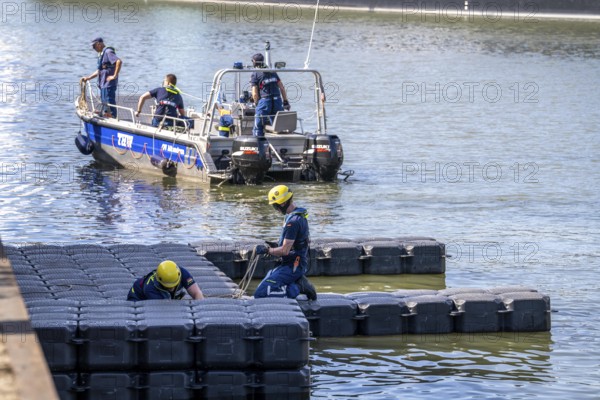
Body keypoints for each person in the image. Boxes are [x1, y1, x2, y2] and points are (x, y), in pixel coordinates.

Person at [254, 185, 317, 300]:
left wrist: (267, 250)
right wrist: (275, 246)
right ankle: (294, 283)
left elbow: (284, 250)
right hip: (290, 263)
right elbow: (294, 243)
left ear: (282, 204)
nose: (276, 209)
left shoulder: (292, 222)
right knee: (264, 283)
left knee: (260, 294)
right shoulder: (297, 215)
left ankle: (298, 287)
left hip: (293, 266)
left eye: (275, 206)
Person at [249, 53, 290, 137]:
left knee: (258, 126)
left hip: (264, 102)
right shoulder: (273, 72)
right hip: (277, 101)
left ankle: (258, 144)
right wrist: (285, 101)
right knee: (277, 126)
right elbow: (281, 87)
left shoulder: (255, 74)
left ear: (254, 62)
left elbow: (255, 93)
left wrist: (256, 103)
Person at [81, 37, 122, 118]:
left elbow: (119, 61)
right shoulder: (102, 54)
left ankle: (112, 117)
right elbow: (99, 70)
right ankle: (105, 113)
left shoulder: (108, 52)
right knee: (104, 102)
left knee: (109, 101)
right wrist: (89, 78)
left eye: (94, 46)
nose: (93, 48)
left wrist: (114, 75)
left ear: (99, 44)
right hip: (103, 84)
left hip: (109, 84)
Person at [127, 260, 205, 301]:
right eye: (168, 286)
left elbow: (197, 293)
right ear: (159, 281)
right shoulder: (150, 288)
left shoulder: (182, 273)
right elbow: (166, 309)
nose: (171, 288)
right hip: (137, 299)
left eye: (174, 285)